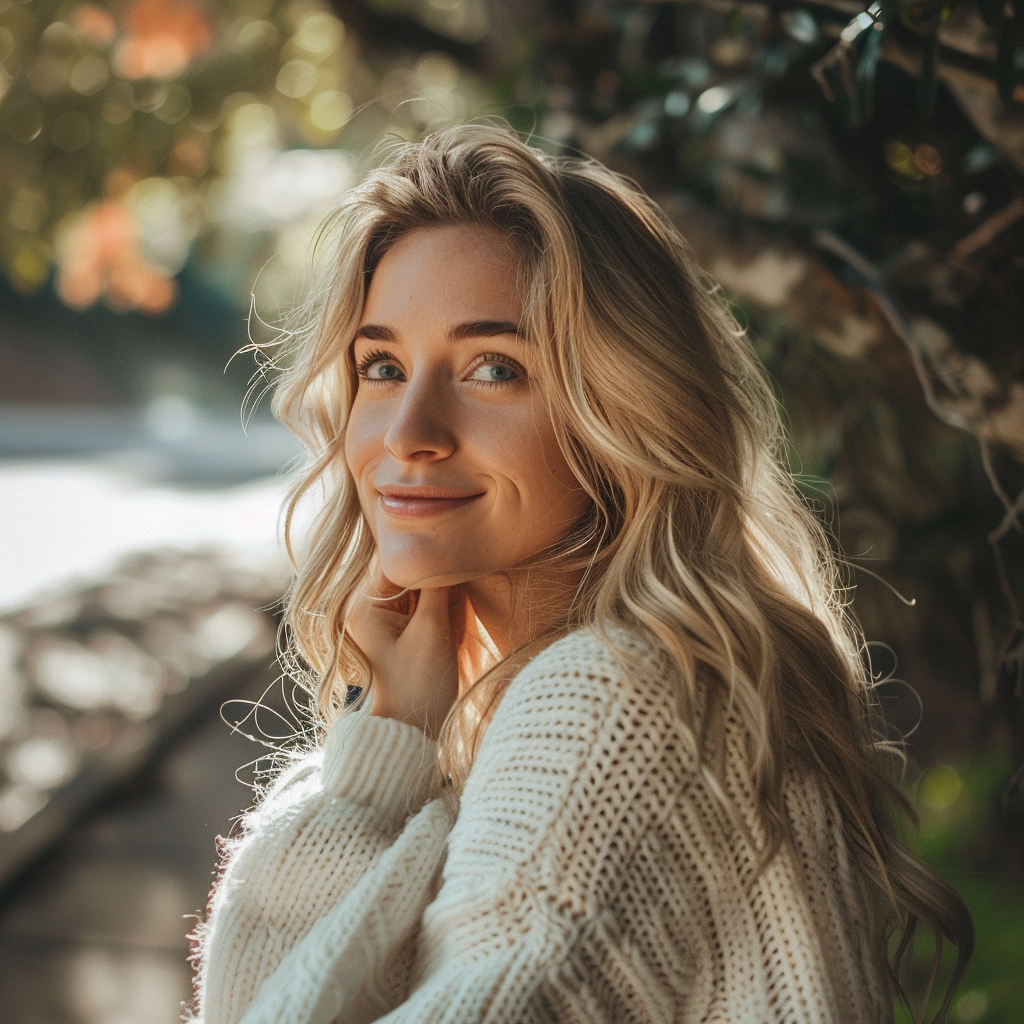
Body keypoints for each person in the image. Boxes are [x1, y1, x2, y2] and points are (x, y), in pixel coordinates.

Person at [188, 123, 973, 1024]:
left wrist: (372, 781)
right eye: (382, 365)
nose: (408, 431)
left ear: (617, 416)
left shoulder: (615, 704)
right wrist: (393, 743)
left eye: (494, 368)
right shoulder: (628, 686)